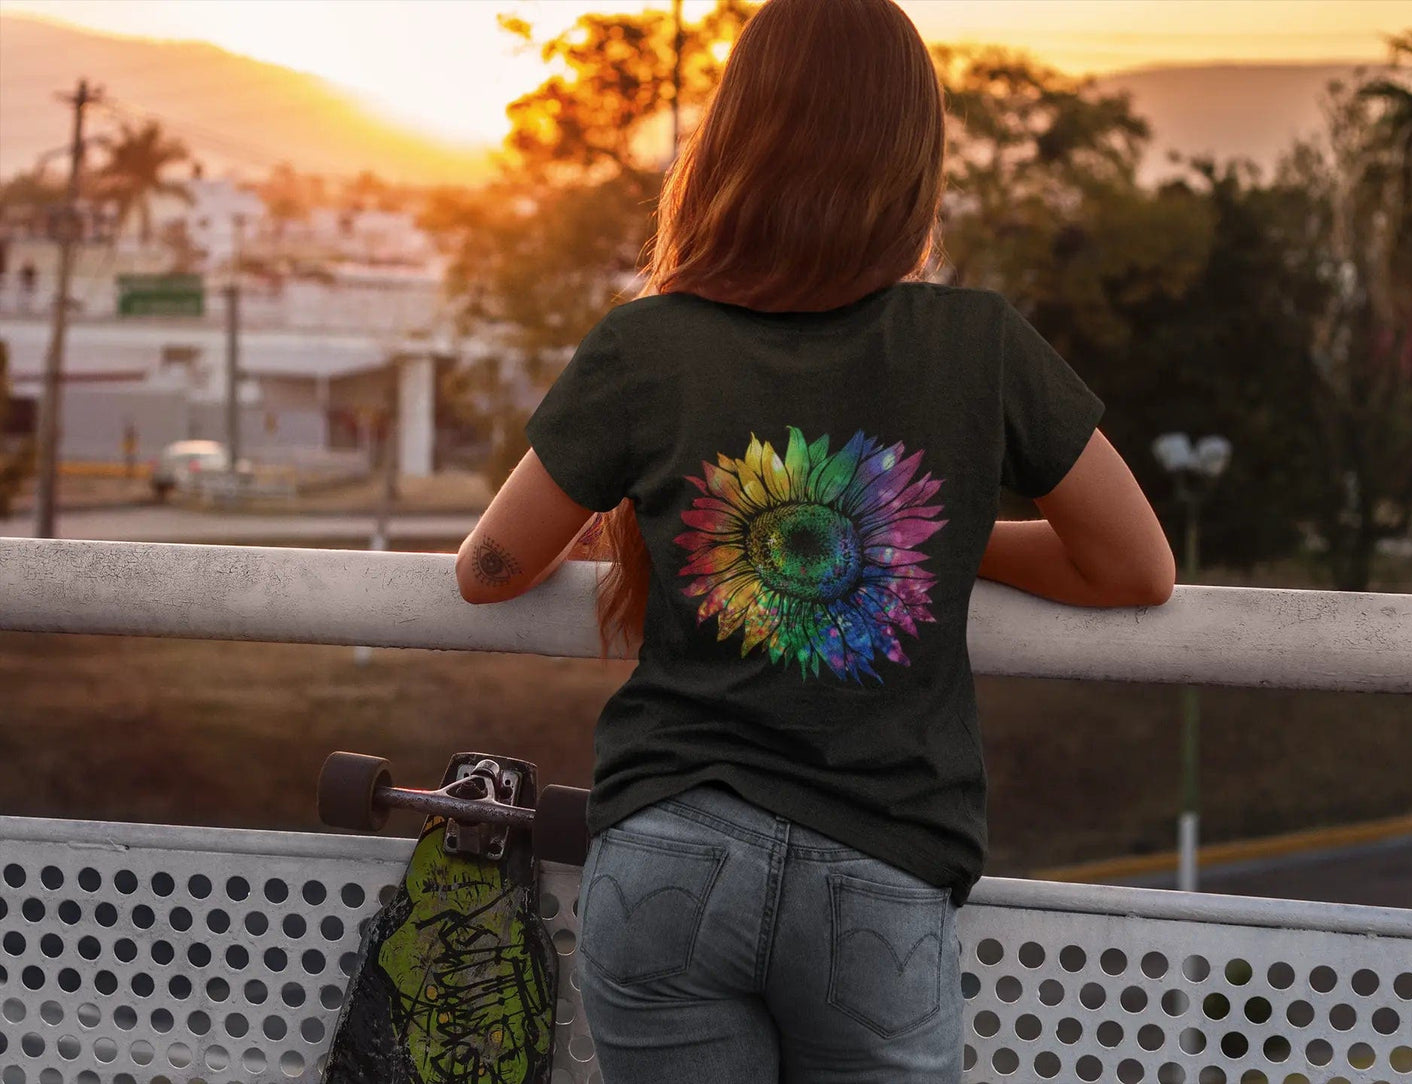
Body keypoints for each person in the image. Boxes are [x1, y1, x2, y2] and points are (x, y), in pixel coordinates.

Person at [454, 0, 1174, 1079]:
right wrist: (927, 537)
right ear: (910, 162)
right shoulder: (979, 345)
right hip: (878, 874)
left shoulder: (647, 346)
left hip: (666, 860)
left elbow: (488, 570)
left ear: (732, 144)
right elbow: (1133, 569)